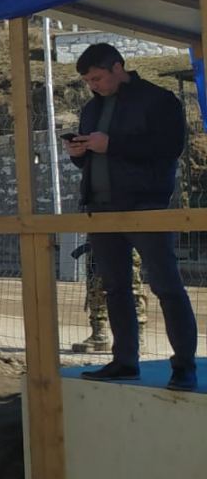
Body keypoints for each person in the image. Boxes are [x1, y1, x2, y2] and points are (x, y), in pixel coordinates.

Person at [66, 43, 198, 390]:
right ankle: (125, 362)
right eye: (87, 80)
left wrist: (111, 144)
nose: (93, 85)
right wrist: (78, 153)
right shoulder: (91, 109)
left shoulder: (158, 100)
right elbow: (91, 161)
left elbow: (168, 149)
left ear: (118, 67)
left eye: (97, 77)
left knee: (167, 286)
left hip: (147, 206)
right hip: (101, 209)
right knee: (115, 289)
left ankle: (184, 366)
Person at [70, 241, 147, 354]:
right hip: (98, 238)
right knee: (95, 286)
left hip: (127, 237)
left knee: (132, 287)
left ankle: (137, 338)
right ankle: (99, 336)